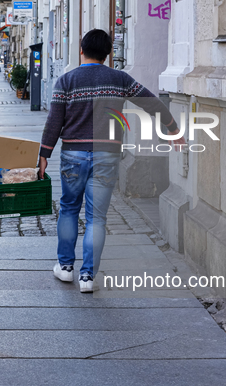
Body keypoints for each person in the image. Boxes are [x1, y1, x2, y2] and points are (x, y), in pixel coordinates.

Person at [39, 29, 183, 293]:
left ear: (81, 50)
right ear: (108, 54)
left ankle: (66, 268)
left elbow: (54, 122)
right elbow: (152, 103)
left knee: (69, 208)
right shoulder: (120, 79)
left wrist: (44, 154)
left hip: (73, 154)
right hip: (107, 154)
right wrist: (173, 128)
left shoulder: (66, 81)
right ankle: (87, 277)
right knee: (97, 218)